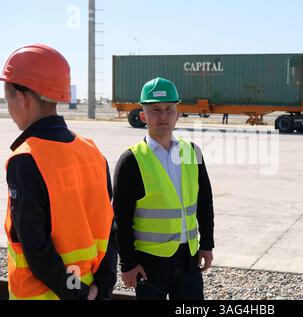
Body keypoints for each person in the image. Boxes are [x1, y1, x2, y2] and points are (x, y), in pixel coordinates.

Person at [0, 44, 117, 300]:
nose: (8, 109)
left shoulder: (25, 159)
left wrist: (80, 293)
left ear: (23, 96)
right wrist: (101, 288)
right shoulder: (92, 152)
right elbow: (109, 228)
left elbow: (37, 249)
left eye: (7, 96)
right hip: (89, 290)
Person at [113, 77, 214, 300]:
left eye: (169, 109)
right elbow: (121, 218)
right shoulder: (131, 160)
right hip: (149, 262)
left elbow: (205, 202)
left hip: (189, 257)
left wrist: (207, 244)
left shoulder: (192, 152)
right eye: (155, 109)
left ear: (178, 114)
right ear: (142, 116)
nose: (163, 116)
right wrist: (128, 263)